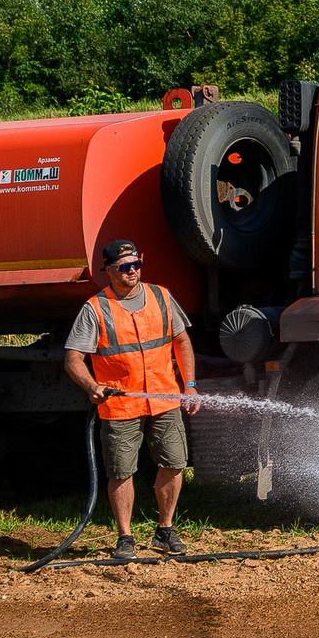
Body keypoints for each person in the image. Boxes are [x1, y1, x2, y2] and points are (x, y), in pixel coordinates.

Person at [61, 239, 202, 560]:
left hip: (164, 400)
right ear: (108, 271)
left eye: (136, 264)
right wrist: (91, 386)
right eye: (124, 267)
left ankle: (165, 531)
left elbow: (182, 341)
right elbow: (73, 359)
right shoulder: (95, 309)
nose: (132, 272)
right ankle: (125, 538)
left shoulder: (161, 296)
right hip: (120, 406)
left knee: (174, 463)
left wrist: (189, 385)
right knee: (121, 472)